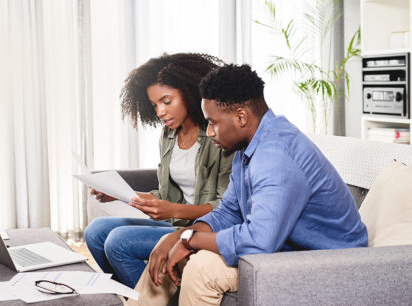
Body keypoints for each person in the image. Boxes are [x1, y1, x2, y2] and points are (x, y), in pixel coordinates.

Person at [127, 64, 368, 306]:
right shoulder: (248, 148)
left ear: (241, 117)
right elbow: (229, 211)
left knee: (203, 267)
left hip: (332, 264)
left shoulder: (275, 156)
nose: (209, 132)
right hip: (288, 248)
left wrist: (190, 240)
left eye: (213, 122)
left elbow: (260, 240)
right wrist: (178, 236)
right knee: (169, 250)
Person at [83, 53, 234, 288]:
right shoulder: (169, 134)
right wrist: (123, 195)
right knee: (95, 231)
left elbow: (226, 207)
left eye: (166, 101)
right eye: (154, 105)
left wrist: (174, 209)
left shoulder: (218, 133)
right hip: (178, 222)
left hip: (204, 228)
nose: (160, 112)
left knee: (118, 242)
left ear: (189, 92)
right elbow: (168, 196)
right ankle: (128, 299)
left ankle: (147, 300)